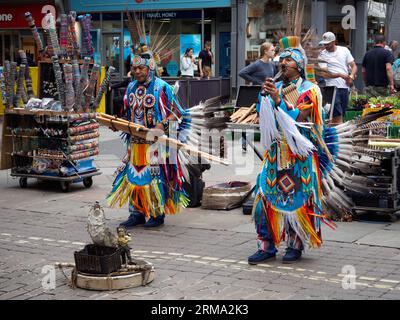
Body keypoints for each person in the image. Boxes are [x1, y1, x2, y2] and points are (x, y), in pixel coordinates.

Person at [248, 36, 330, 264]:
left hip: (299, 156)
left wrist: (278, 101)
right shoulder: (275, 86)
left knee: (297, 201)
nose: (282, 64)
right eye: (281, 60)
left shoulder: (310, 90)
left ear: (300, 66)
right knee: (263, 197)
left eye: (289, 61)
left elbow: (300, 121)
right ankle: (266, 246)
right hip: (275, 154)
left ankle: (295, 245)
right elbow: (263, 120)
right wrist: (264, 98)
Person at [107, 51, 191, 228]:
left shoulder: (162, 87)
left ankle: (156, 214)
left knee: (154, 179)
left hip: (155, 145)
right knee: (133, 177)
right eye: (134, 68)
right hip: (135, 144)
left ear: (150, 67)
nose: (137, 71)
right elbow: (127, 114)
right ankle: (136, 213)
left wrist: (162, 125)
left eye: (141, 68)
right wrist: (117, 124)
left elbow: (178, 112)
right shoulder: (130, 87)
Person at [238, 41, 277, 152]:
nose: (274, 52)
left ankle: (269, 141)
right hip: (257, 95)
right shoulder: (257, 64)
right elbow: (242, 73)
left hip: (268, 95)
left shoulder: (272, 64)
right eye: (272, 50)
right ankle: (245, 140)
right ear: (265, 51)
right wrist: (258, 83)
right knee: (253, 117)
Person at [318, 32, 357, 124]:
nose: (325, 46)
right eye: (324, 44)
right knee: (336, 114)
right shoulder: (322, 55)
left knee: (341, 113)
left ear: (334, 41)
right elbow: (324, 74)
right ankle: (338, 135)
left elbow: (354, 66)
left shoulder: (344, 50)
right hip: (331, 88)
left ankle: (334, 133)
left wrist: (351, 77)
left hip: (344, 87)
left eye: (328, 44)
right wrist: (340, 75)